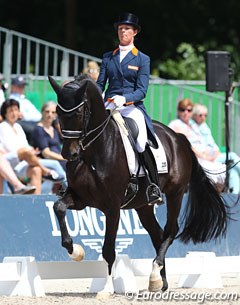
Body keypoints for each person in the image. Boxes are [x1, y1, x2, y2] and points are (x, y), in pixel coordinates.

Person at [96, 12, 162, 205]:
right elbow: (100, 83)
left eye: (126, 29)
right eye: (120, 28)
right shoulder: (108, 57)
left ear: (134, 33)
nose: (122, 31)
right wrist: (98, 96)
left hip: (131, 107)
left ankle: (153, 185)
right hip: (109, 104)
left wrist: (124, 99)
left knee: (140, 141)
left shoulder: (142, 59)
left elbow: (141, 91)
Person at [0, 99, 64, 194]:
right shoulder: (2, 127)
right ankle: (46, 171)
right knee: (25, 152)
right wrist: (23, 153)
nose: (14, 113)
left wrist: (32, 152)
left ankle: (35, 201)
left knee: (36, 170)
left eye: (16, 110)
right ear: (5, 113)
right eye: (11, 111)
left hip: (22, 161)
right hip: (7, 161)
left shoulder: (18, 127)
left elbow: (26, 146)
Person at [168, 98, 226, 190]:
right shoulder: (175, 124)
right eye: (182, 110)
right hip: (191, 158)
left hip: (205, 156)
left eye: (189, 110)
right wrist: (202, 155)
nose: (186, 112)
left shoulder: (194, 125)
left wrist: (209, 154)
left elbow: (205, 142)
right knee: (212, 174)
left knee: (223, 172)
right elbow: (181, 145)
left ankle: (215, 200)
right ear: (178, 111)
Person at [191, 103, 240, 193]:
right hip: (205, 159)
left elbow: (214, 145)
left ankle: (235, 194)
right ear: (194, 115)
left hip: (213, 156)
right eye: (200, 115)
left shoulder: (204, 127)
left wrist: (214, 153)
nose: (203, 117)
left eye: (205, 115)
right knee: (232, 156)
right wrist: (206, 156)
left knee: (233, 169)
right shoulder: (190, 126)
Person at [32, 101, 67, 190]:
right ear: (42, 112)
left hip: (60, 161)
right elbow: (46, 153)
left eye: (53, 112)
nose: (50, 115)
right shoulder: (39, 130)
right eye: (47, 112)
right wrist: (64, 158)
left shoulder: (54, 130)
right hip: (49, 162)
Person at [9, 75, 42, 145]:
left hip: (32, 123)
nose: (22, 88)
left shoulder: (25, 100)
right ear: (13, 87)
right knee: (35, 129)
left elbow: (38, 116)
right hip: (22, 124)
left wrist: (24, 115)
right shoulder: (10, 101)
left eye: (23, 86)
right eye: (19, 86)